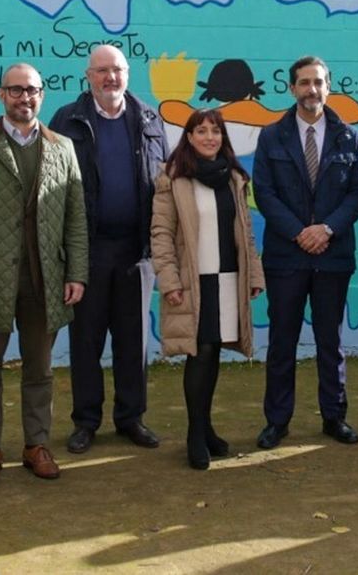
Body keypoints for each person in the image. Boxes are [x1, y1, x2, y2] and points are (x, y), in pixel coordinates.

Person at [0, 63, 89, 484]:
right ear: (1, 95)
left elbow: (76, 218)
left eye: (32, 90)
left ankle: (36, 444)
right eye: (15, 90)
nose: (24, 98)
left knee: (40, 370)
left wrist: (76, 272)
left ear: (42, 95)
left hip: (46, 277)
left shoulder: (62, 147)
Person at [49, 45, 169, 455]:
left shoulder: (150, 119)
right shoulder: (66, 120)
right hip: (88, 251)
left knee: (133, 342)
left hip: (137, 252)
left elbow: (164, 183)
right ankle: (86, 421)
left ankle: (131, 417)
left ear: (128, 74)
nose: (110, 78)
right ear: (88, 76)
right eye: (101, 71)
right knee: (86, 340)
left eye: (116, 70)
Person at [251, 56, 358, 449]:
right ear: (292, 88)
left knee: (330, 342)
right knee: (282, 342)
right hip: (286, 257)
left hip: (333, 256)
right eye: (304, 82)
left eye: (318, 82)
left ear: (328, 87)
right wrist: (300, 232)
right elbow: (264, 193)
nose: (311, 89)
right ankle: (277, 421)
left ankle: (334, 417)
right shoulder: (272, 137)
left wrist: (327, 229)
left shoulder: (350, 137)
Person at [151, 109, 266, 470]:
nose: (209, 137)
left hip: (228, 277)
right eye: (201, 131)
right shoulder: (173, 178)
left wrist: (254, 275)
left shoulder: (234, 178)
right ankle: (195, 435)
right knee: (198, 354)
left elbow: (245, 233)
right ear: (188, 137)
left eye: (215, 131)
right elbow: (160, 234)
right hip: (192, 282)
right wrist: (169, 281)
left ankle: (207, 427)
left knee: (213, 352)